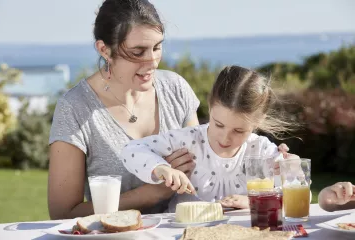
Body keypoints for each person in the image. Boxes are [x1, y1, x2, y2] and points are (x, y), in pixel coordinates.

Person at [47, 0, 201, 219]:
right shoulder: (75, 108)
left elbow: (202, 170)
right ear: (104, 50)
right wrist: (150, 194)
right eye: (138, 52)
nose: (152, 62)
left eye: (157, 47)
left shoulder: (176, 89)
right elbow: (62, 213)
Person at [121, 65, 297, 212]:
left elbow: (296, 195)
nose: (225, 138)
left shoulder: (261, 151)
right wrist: (161, 168)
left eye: (238, 130)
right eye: (219, 124)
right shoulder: (188, 141)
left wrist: (292, 171)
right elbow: (131, 150)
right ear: (210, 107)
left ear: (259, 121)